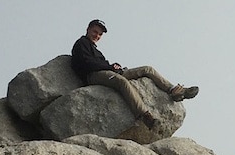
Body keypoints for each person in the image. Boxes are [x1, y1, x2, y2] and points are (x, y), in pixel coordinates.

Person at [69, 19, 197, 125]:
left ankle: (174, 90)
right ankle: (144, 115)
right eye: (95, 32)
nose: (97, 36)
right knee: (122, 82)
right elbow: (87, 63)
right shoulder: (81, 43)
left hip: (107, 72)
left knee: (147, 69)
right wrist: (110, 67)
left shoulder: (95, 49)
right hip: (93, 75)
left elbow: (102, 63)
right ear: (88, 29)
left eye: (100, 34)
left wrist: (113, 67)